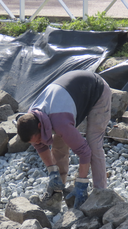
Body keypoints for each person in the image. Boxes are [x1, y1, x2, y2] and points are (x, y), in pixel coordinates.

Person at [17, 70, 111, 209]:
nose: (36, 144)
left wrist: (81, 183)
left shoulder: (60, 122)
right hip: (71, 95)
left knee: (93, 144)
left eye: (36, 139)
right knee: (58, 145)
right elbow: (40, 145)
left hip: (97, 90)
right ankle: (56, 194)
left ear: (39, 125)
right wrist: (52, 171)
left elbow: (84, 152)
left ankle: (101, 195)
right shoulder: (32, 117)